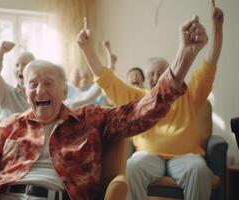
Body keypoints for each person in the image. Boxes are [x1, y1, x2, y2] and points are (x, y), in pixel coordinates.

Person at [0, 16, 205, 200]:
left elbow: (141, 112)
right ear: (24, 90)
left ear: (64, 91)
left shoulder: (90, 118)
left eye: (48, 83)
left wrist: (184, 57)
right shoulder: (11, 125)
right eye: (33, 84)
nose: (40, 90)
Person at [82, 5, 223, 200]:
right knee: (131, 167)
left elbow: (209, 67)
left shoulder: (189, 94)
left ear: (172, 72)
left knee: (198, 169)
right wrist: (87, 50)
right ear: (146, 79)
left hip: (186, 157)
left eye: (161, 73)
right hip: (147, 156)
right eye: (151, 74)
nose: (156, 78)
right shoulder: (138, 96)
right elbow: (107, 81)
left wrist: (218, 30)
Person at [0, 41, 35, 118]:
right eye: (17, 65)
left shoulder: (39, 95)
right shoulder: (7, 93)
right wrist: (0, 54)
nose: (20, 69)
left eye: (25, 64)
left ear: (34, 69)